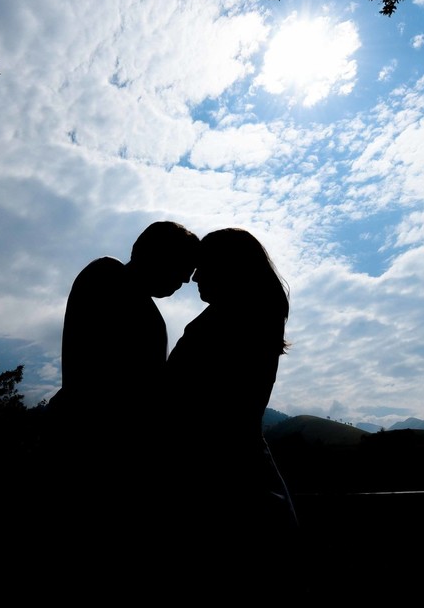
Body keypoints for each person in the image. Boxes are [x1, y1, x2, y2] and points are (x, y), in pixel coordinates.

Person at [47, 220, 199, 541]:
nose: (185, 279)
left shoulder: (148, 313)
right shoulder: (107, 275)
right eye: (182, 267)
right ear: (154, 253)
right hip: (93, 446)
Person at [166, 228, 297, 561]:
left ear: (230, 268)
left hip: (222, 480)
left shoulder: (227, 326)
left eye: (204, 265)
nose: (194, 276)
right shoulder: (252, 319)